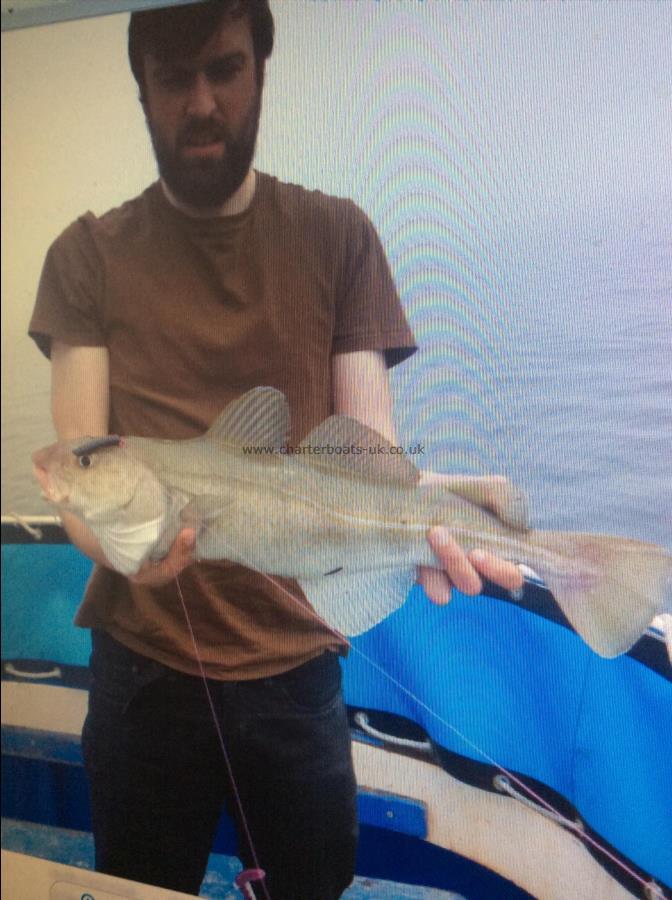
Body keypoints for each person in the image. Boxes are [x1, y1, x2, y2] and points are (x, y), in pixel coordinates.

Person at [29, 2, 523, 897]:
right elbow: (80, 470)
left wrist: (438, 511)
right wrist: (131, 558)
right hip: (143, 674)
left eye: (224, 69)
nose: (204, 102)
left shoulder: (340, 236)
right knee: (140, 885)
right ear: (142, 89)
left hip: (297, 669)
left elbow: (365, 457)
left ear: (261, 68)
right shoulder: (86, 256)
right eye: (175, 79)